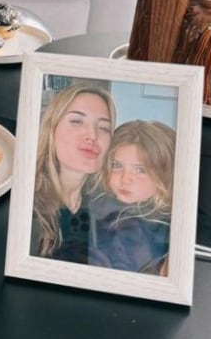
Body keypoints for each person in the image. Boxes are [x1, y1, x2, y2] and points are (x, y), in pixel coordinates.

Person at [31, 83, 116, 262]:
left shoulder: (105, 203)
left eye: (103, 128)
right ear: (51, 129)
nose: (92, 135)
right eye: (77, 121)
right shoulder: (26, 204)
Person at [89, 120, 174, 274]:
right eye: (116, 165)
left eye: (140, 170)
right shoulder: (95, 206)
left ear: (163, 176)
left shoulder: (165, 226)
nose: (125, 178)